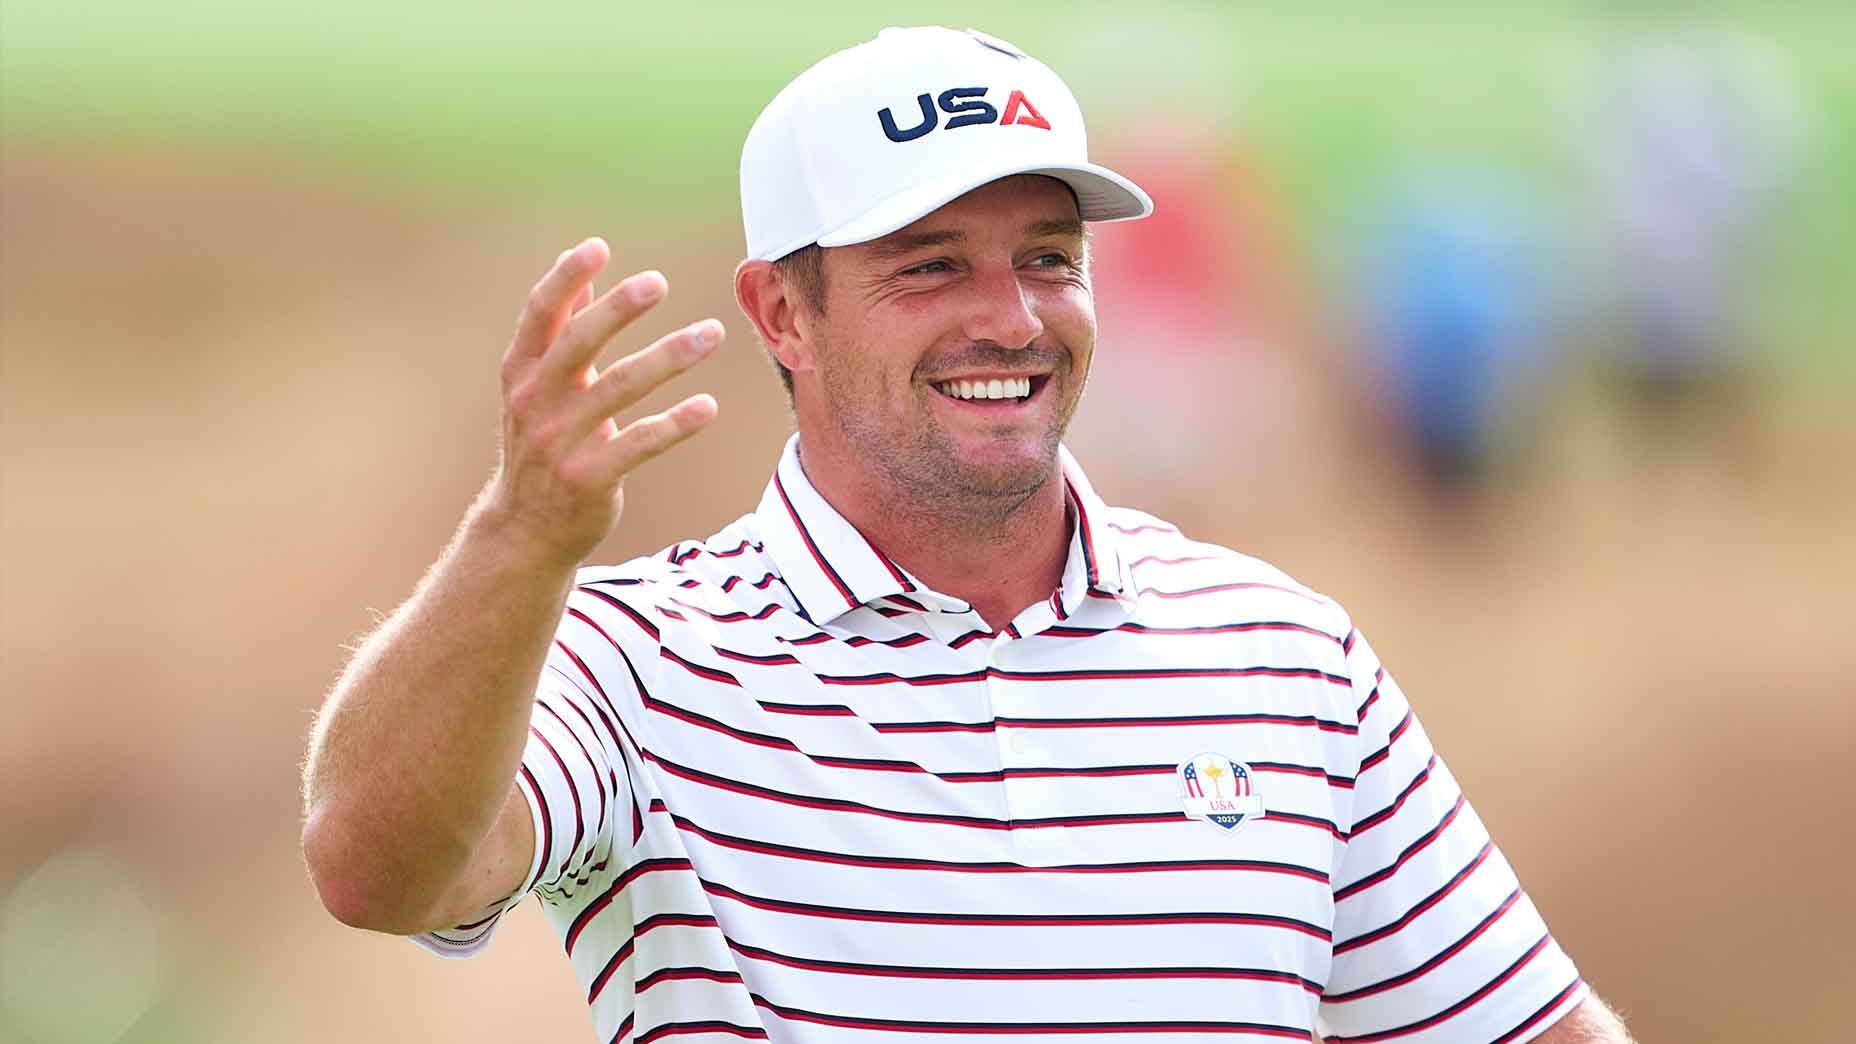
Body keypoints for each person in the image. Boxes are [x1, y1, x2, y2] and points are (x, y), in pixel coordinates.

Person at [301, 26, 1633, 1044]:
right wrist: (520, 536)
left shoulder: (1289, 654)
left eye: (1048, 257)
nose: (1010, 317)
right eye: (931, 264)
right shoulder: (643, 655)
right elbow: (377, 864)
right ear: (783, 314)